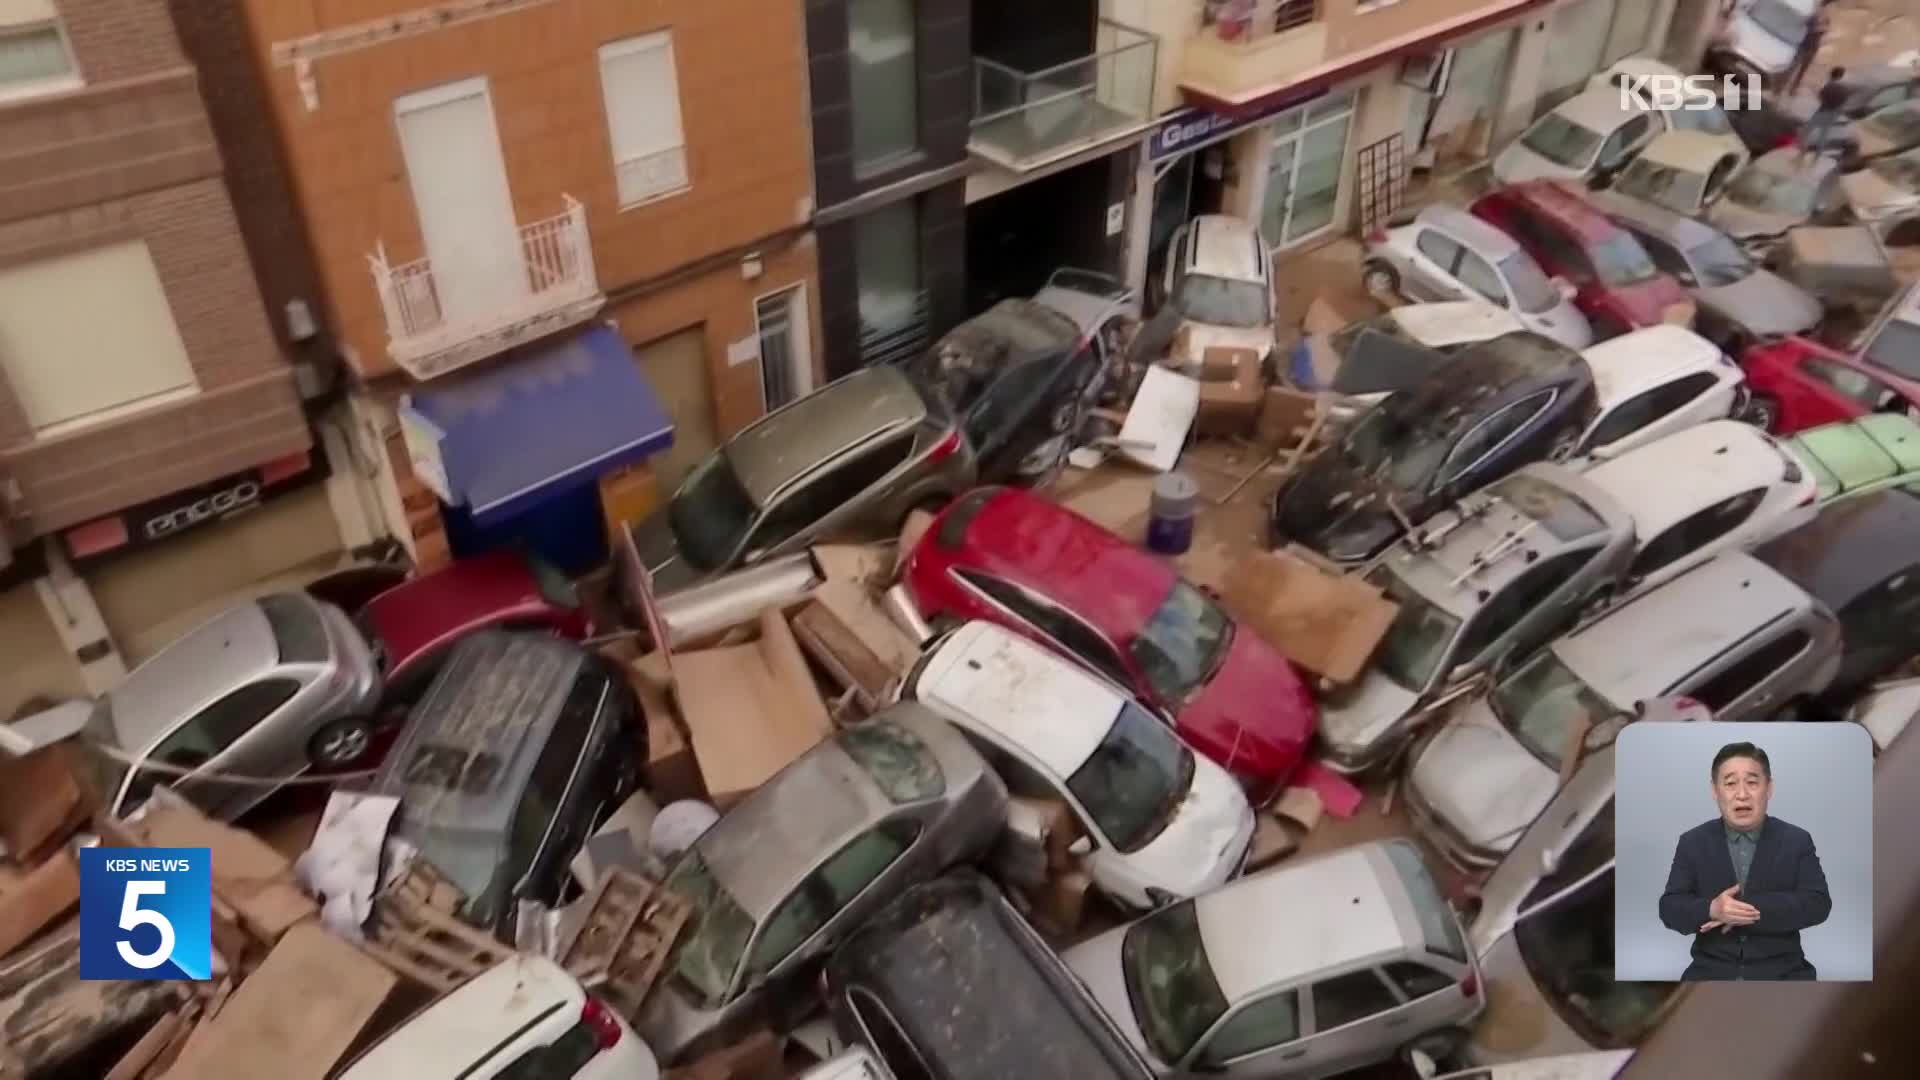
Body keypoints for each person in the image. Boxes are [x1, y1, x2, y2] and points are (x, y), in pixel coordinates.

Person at [1657, 741, 1832, 980]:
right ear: (1714, 791)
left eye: (1752, 783)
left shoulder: (1796, 840)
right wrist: (1712, 909)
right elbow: (1669, 908)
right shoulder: (1692, 842)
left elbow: (1818, 904)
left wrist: (1744, 910)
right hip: (1709, 973)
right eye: (1730, 783)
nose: (1742, 794)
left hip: (1784, 973)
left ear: (1768, 788)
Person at [1798, 67, 1850, 161]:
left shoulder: (1829, 86)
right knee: (1823, 134)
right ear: (1841, 76)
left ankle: (1801, 154)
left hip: (1822, 111)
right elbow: (1843, 102)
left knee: (1806, 132)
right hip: (1833, 114)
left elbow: (1821, 96)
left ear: (1831, 75)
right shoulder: (1845, 89)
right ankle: (1817, 157)